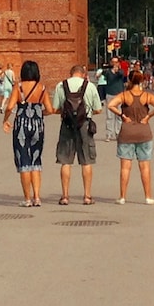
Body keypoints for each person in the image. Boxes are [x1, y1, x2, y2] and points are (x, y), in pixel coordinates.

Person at [109, 68, 154, 204]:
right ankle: (148, 196)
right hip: (144, 132)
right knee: (145, 166)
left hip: (127, 132)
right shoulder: (146, 96)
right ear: (142, 80)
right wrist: (148, 116)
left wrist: (122, 115)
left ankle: (122, 197)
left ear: (129, 80)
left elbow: (111, 105)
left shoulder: (125, 95)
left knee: (125, 167)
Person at [51, 67, 101, 204]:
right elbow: (98, 109)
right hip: (84, 125)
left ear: (70, 73)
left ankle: (65, 196)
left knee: (65, 161)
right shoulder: (90, 86)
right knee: (86, 160)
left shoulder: (61, 85)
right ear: (84, 74)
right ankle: (87, 196)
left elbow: (54, 109)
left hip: (67, 125)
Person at [4, 61, 49, 206]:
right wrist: (39, 113)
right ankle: (37, 197)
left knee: (24, 160)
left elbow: (10, 107)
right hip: (38, 126)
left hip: (21, 126)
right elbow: (50, 109)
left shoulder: (19, 87)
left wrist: (6, 120)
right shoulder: (42, 88)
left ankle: (27, 199)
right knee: (36, 159)